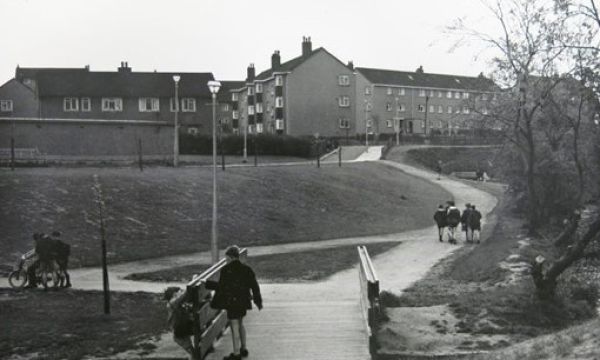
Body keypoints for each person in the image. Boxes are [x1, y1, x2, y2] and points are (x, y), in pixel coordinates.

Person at [207, 245, 262, 360]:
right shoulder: (247, 269)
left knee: (234, 325)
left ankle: (236, 354)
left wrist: (208, 284)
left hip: (232, 302)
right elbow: (254, 286)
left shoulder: (226, 270)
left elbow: (222, 287)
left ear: (231, 257)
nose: (226, 261)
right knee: (240, 323)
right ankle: (243, 348)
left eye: (226, 259)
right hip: (243, 301)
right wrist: (258, 300)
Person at [164, 286, 195, 359]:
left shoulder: (178, 303)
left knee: (192, 350)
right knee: (191, 350)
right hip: (179, 332)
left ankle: (194, 356)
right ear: (174, 294)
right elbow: (183, 296)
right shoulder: (172, 303)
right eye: (179, 292)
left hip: (182, 328)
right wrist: (190, 286)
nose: (181, 292)